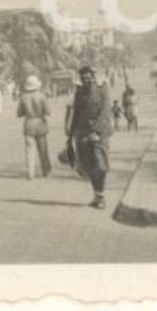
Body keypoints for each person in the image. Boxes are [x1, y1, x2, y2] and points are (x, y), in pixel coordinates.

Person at [66, 66, 112, 209]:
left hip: (99, 134)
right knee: (88, 166)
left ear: (93, 76)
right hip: (82, 134)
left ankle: (102, 197)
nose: (86, 79)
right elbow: (76, 114)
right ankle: (96, 195)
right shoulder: (80, 93)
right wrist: (70, 134)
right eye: (83, 78)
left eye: (89, 77)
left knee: (101, 165)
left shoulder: (102, 90)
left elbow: (105, 113)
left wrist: (96, 132)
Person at [16, 74, 52, 180]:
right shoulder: (41, 96)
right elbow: (48, 111)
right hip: (40, 123)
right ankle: (46, 171)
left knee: (30, 150)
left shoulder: (23, 97)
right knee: (43, 149)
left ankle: (30, 173)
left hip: (29, 124)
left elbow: (19, 113)